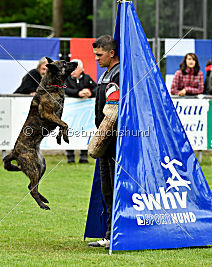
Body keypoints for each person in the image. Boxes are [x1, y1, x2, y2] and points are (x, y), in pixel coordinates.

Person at [88, 35, 120, 249]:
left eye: (99, 55)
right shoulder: (106, 74)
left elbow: (112, 112)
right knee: (107, 189)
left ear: (111, 53)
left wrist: (99, 140)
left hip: (114, 139)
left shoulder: (116, 75)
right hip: (107, 140)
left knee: (114, 189)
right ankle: (109, 235)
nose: (96, 59)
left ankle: (115, 236)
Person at [64, 59, 97, 164]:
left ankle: (84, 157)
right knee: (69, 131)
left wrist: (90, 92)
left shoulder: (87, 78)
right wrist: (78, 93)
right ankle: (70, 157)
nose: (73, 71)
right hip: (70, 112)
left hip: (84, 113)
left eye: (75, 68)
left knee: (84, 131)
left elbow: (97, 88)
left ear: (81, 69)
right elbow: (64, 89)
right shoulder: (66, 79)